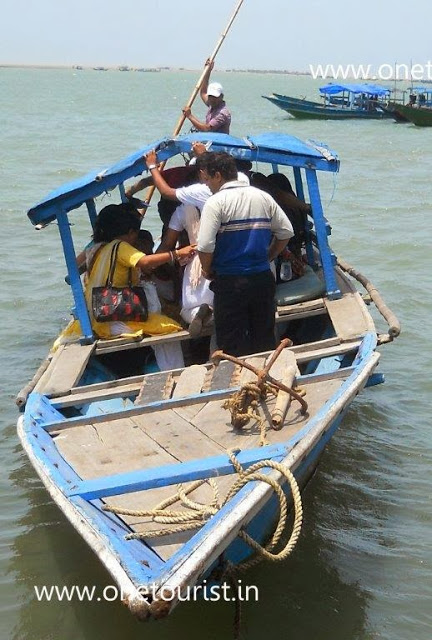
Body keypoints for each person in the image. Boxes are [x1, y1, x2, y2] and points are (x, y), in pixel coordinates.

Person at [197, 153, 294, 357]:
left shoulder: (216, 203)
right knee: (264, 339)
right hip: (261, 279)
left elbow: (205, 246)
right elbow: (285, 232)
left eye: (207, 179)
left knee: (231, 344)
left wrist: (207, 269)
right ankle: (264, 382)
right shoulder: (263, 197)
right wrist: (268, 256)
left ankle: (239, 383)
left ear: (217, 176)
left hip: (230, 283)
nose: (206, 185)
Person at [82, 203, 196, 370]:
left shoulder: (97, 249)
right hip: (112, 318)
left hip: (96, 316)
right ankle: (173, 372)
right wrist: (177, 253)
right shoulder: (120, 247)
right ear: (130, 233)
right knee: (170, 329)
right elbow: (144, 261)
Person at [182, 60, 231, 134]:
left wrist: (190, 116)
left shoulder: (222, 113)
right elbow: (203, 92)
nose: (212, 99)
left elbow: (206, 129)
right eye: (210, 96)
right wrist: (207, 71)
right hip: (209, 138)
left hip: (218, 142)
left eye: (215, 97)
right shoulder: (212, 105)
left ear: (221, 97)